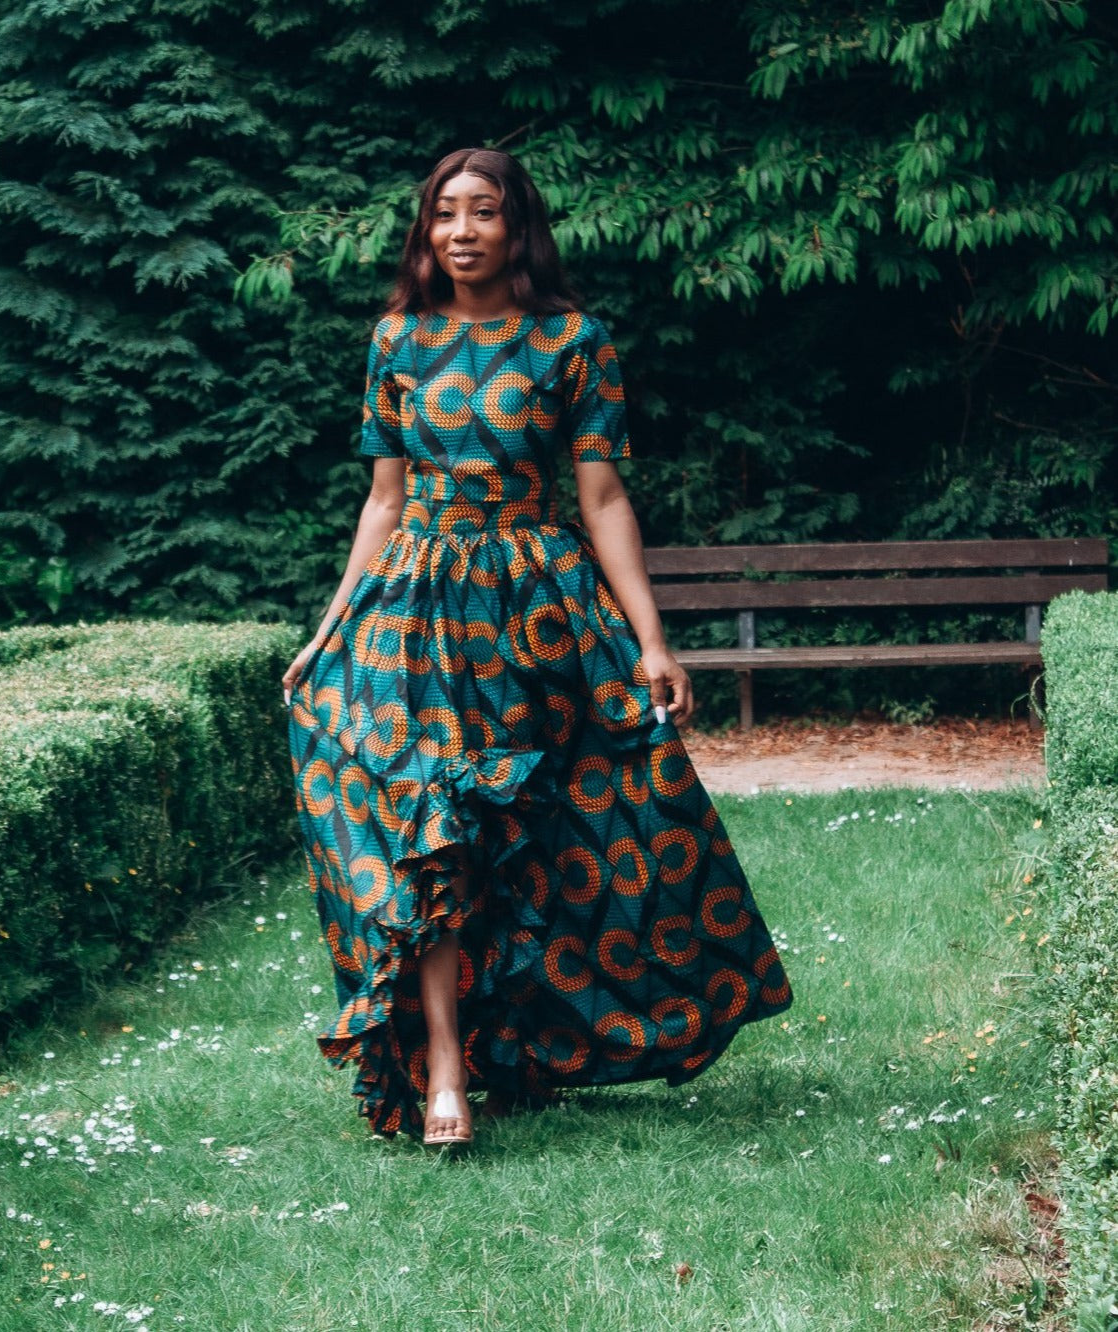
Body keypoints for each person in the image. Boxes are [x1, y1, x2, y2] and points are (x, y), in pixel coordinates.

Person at [282, 147, 791, 1148]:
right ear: (426, 231)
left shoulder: (571, 340)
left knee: (542, 831)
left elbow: (601, 497)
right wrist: (329, 628)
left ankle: (520, 1042)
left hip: (531, 608)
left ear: (518, 228)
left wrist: (652, 642)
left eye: (482, 213)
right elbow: (383, 501)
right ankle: (442, 1073)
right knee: (428, 821)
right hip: (415, 609)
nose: (461, 231)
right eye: (443, 214)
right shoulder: (397, 340)